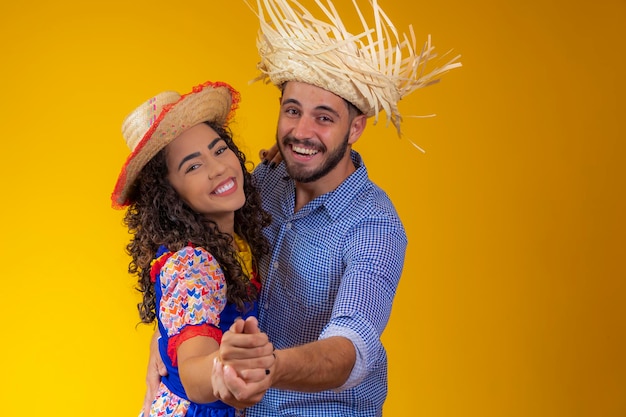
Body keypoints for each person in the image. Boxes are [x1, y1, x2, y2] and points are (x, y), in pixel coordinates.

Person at [146, 0, 461, 415]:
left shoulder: (375, 225)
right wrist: (168, 341)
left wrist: (266, 366)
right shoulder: (263, 180)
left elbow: (351, 347)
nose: (302, 132)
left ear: (356, 128)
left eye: (324, 118)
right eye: (293, 111)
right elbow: (199, 247)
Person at [111, 80, 275, 417]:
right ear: (170, 194)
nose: (219, 168)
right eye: (193, 166)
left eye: (219, 149)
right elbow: (194, 370)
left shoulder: (233, 239)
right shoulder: (192, 264)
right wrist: (223, 365)